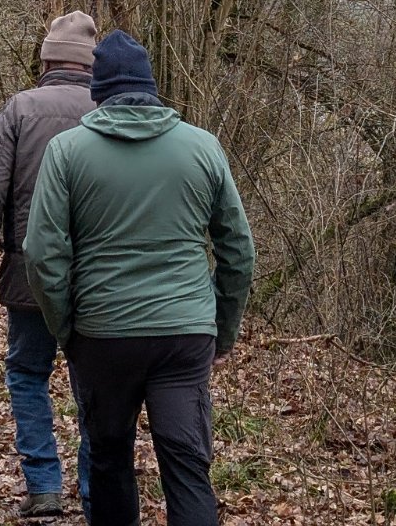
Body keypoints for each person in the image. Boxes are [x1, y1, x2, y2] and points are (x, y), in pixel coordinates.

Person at [24, 29, 256, 526]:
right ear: (151, 87)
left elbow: (42, 254)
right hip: (185, 334)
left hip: (103, 334)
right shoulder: (204, 148)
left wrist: (67, 327)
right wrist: (221, 327)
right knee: (188, 466)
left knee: (109, 461)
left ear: (98, 90)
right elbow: (238, 249)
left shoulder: (67, 152)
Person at [0, 11, 98, 519]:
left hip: (29, 273)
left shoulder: (21, 108)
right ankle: (93, 487)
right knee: (92, 386)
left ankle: (43, 487)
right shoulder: (110, 109)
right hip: (97, 280)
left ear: (46, 58)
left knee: (27, 374)